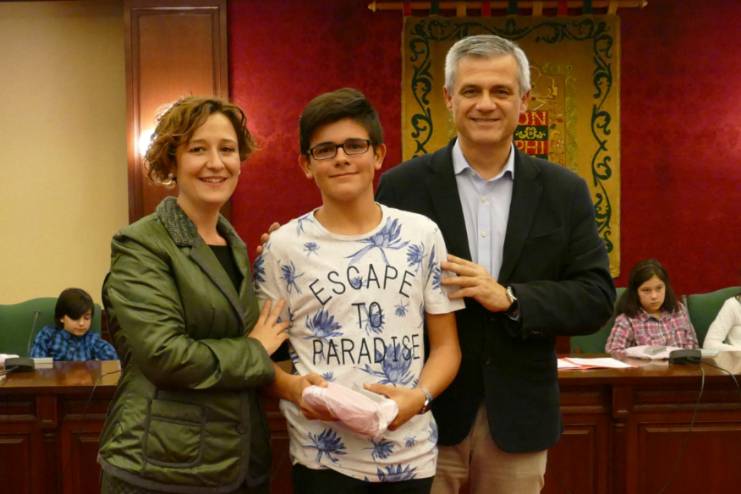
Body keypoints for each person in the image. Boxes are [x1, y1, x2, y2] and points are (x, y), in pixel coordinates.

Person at [374, 35, 615, 493]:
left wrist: (510, 298)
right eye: (471, 90)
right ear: (449, 98)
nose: (485, 104)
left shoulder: (564, 191)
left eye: (501, 91)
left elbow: (596, 297)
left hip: (520, 420)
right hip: (424, 417)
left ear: (524, 100)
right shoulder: (402, 187)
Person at [255, 88, 463, 493]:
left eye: (355, 145)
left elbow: (446, 347)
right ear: (306, 165)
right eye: (325, 150)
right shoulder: (282, 249)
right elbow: (263, 360)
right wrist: (294, 390)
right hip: (322, 458)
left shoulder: (421, 235)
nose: (341, 158)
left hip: (409, 454)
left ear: (379, 155)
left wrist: (419, 398)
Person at [98, 97, 289, 494]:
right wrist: (255, 349)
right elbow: (165, 355)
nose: (216, 163)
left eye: (227, 149)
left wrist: (286, 262)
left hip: (237, 464)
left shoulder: (234, 245)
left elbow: (257, 334)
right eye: (198, 149)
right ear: (172, 161)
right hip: (161, 469)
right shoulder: (141, 243)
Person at [605, 259, 698, 353]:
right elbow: (613, 352)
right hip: (645, 363)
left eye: (659, 288)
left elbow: (693, 346)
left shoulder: (679, 310)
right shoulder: (627, 320)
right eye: (646, 290)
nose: (654, 296)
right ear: (635, 292)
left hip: (682, 362)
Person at [29, 287, 117, 361]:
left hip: (84, 376)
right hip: (53, 376)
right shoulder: (48, 335)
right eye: (75, 318)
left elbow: (113, 360)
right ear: (61, 317)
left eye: (86, 318)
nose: (82, 323)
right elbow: (36, 363)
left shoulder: (92, 339)